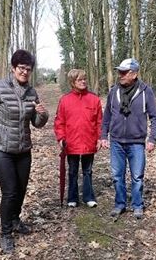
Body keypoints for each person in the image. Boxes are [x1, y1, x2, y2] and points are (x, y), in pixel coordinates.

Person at [0, 49, 48, 254]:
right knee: (9, 192)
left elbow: (36, 124)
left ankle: (16, 219)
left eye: (28, 69)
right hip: (2, 150)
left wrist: (42, 115)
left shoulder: (31, 92)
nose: (25, 72)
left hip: (24, 150)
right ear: (13, 68)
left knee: (21, 190)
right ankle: (6, 233)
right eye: (21, 68)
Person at [101, 58, 156, 219]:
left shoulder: (145, 91)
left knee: (137, 176)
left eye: (124, 72)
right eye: (119, 72)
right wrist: (103, 135)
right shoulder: (114, 91)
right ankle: (120, 204)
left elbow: (155, 117)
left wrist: (152, 139)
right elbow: (106, 115)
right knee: (116, 176)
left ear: (134, 74)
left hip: (136, 142)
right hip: (116, 141)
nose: (120, 75)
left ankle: (137, 205)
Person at [54, 69, 102, 208]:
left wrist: (99, 138)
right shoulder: (65, 100)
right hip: (71, 143)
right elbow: (59, 122)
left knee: (88, 171)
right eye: (79, 80)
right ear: (72, 82)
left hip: (89, 141)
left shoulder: (94, 99)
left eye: (84, 79)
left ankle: (88, 197)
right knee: (72, 170)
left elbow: (99, 121)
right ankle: (72, 197)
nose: (83, 82)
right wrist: (61, 138)